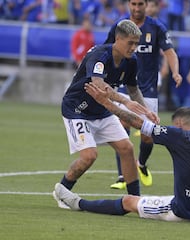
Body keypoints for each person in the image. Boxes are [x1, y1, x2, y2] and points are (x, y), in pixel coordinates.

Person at [53, 81, 190, 222]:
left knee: (129, 202)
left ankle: (78, 203)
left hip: (183, 212)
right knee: (164, 197)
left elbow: (137, 123)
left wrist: (105, 102)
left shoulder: (178, 136)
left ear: (180, 123)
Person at [53, 19, 159, 209]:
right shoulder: (99, 55)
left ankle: (136, 201)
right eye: (131, 43)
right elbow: (99, 86)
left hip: (102, 111)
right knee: (89, 156)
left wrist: (146, 112)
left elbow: (133, 89)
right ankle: (62, 190)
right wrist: (125, 101)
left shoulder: (131, 61)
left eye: (137, 43)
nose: (134, 47)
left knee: (127, 148)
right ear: (118, 39)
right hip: (77, 110)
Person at [104, 0, 182, 190]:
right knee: (121, 128)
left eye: (140, 4)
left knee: (148, 135)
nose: (136, 8)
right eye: (133, 4)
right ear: (128, 4)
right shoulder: (120, 26)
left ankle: (141, 164)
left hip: (147, 90)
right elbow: (106, 50)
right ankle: (123, 175)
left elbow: (169, 52)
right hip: (123, 86)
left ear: (146, 5)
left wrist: (175, 72)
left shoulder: (156, 27)